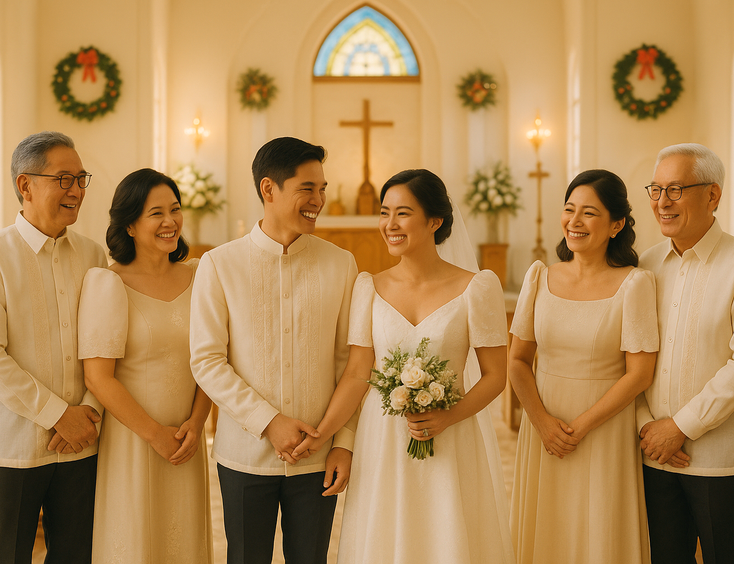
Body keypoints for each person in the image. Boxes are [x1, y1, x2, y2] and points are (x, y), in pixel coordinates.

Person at [293, 169, 515, 564]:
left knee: (446, 534)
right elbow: (359, 372)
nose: (390, 225)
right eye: (384, 212)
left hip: (450, 436)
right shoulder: (368, 287)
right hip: (384, 441)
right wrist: (323, 433)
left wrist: (448, 416)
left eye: (403, 213)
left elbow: (496, 375)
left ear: (435, 221)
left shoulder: (477, 287)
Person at [190, 137, 358, 564]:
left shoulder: (341, 264)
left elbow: (351, 365)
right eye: (307, 188)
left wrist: (345, 442)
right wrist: (269, 422)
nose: (318, 200)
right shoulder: (219, 264)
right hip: (244, 457)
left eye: (322, 188)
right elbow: (207, 360)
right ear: (269, 189)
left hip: (317, 458)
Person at [509, 170, 659, 564]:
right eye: (569, 209)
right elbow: (518, 360)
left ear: (616, 224)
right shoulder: (540, 276)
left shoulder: (635, 284)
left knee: (598, 530)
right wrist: (542, 422)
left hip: (604, 429)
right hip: (543, 428)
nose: (574, 222)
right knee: (547, 528)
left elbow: (640, 374)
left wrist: (581, 427)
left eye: (588, 213)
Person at [78, 168, 213, 563]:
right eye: (156, 213)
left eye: (175, 209)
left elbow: (212, 359)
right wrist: (154, 434)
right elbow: (97, 377)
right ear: (131, 225)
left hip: (186, 441)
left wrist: (198, 422)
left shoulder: (201, 275)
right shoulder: (107, 283)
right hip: (133, 443)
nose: (170, 221)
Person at [0, 131, 106, 563]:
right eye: (64, 179)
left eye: (81, 179)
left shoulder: (94, 256)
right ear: (26, 185)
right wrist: (59, 415)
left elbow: (111, 348)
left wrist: (90, 408)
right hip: (14, 448)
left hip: (83, 445)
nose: (77, 190)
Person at [636, 143, 734, 563]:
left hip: (719, 461)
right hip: (653, 457)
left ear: (712, 195)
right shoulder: (645, 265)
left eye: (675, 190)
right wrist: (647, 427)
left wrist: (682, 426)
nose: (662, 202)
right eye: (655, 190)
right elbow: (630, 358)